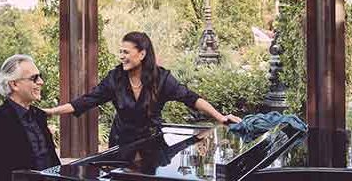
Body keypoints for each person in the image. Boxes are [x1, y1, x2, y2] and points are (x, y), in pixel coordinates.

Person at [44, 31, 241, 146]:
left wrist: (221, 118)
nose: (121, 56)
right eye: (120, 52)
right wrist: (53, 112)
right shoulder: (115, 78)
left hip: (152, 144)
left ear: (142, 54)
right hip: (120, 145)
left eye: (126, 52)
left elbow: (191, 98)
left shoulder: (162, 78)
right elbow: (86, 101)